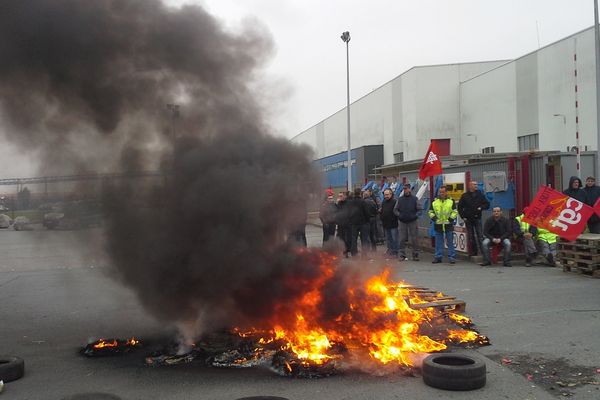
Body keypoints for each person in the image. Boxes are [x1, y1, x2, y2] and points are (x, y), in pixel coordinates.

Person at [457, 180, 490, 257]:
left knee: (480, 235)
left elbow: (487, 204)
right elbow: (460, 207)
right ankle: (474, 252)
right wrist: (463, 217)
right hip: (468, 219)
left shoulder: (480, 195)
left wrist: (481, 207)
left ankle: (483, 252)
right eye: (474, 184)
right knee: (471, 236)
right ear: (470, 186)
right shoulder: (465, 196)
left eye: (476, 184)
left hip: (477, 218)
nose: (476, 186)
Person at [428, 186, 457, 264]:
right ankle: (438, 257)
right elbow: (430, 212)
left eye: (443, 192)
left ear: (446, 192)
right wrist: (435, 219)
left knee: (450, 242)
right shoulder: (434, 201)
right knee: (438, 242)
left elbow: (454, 212)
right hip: (438, 224)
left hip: (448, 225)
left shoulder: (451, 201)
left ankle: (452, 257)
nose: (441, 193)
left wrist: (450, 220)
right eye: (440, 192)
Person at [394, 183, 421, 261]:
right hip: (402, 221)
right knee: (402, 239)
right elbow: (395, 210)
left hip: (413, 221)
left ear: (410, 189)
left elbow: (419, 209)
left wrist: (415, 216)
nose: (405, 190)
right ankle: (402, 255)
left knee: (414, 239)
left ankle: (415, 254)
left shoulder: (415, 199)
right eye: (404, 189)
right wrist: (399, 215)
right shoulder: (400, 199)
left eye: (406, 188)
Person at [347, 188, 371, 257]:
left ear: (354, 193)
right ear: (360, 193)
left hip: (354, 223)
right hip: (363, 223)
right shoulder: (363, 202)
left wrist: (350, 220)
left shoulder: (350, 202)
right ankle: (364, 255)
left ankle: (354, 253)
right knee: (364, 239)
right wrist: (367, 220)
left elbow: (348, 212)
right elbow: (367, 212)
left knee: (354, 239)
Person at [380, 188, 399, 257]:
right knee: (388, 239)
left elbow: (397, 211)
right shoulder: (384, 202)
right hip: (386, 223)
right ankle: (389, 250)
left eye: (387, 194)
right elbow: (382, 210)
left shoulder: (395, 201)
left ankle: (395, 252)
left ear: (391, 194)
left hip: (393, 224)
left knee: (394, 239)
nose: (386, 196)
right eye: (385, 195)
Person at [335, 191, 351, 257]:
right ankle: (344, 252)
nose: (340, 197)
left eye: (341, 196)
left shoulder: (348, 203)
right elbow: (337, 212)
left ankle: (347, 250)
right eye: (339, 196)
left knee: (347, 238)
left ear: (345, 196)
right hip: (340, 224)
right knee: (341, 239)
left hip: (347, 224)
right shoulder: (338, 203)